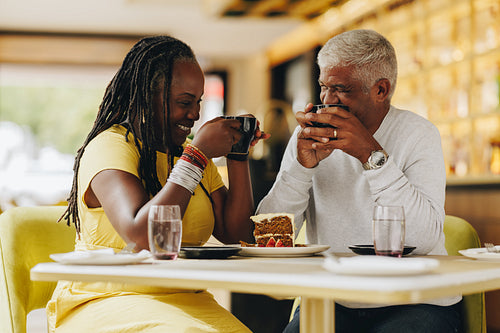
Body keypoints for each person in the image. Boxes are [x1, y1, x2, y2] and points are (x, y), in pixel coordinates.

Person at [48, 35, 268, 332]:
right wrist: (197, 156)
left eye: (198, 102)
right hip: (106, 297)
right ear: (147, 97)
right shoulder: (111, 146)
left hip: (185, 298)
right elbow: (143, 236)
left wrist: (238, 154)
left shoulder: (188, 156)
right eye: (184, 102)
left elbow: (237, 233)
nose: (195, 114)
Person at [256, 29, 462, 333]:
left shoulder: (419, 134)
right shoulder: (308, 140)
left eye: (341, 89)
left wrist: (370, 154)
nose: (327, 100)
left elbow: (423, 236)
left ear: (381, 90)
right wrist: (301, 168)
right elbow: (266, 235)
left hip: (417, 301)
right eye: (324, 87)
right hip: (335, 299)